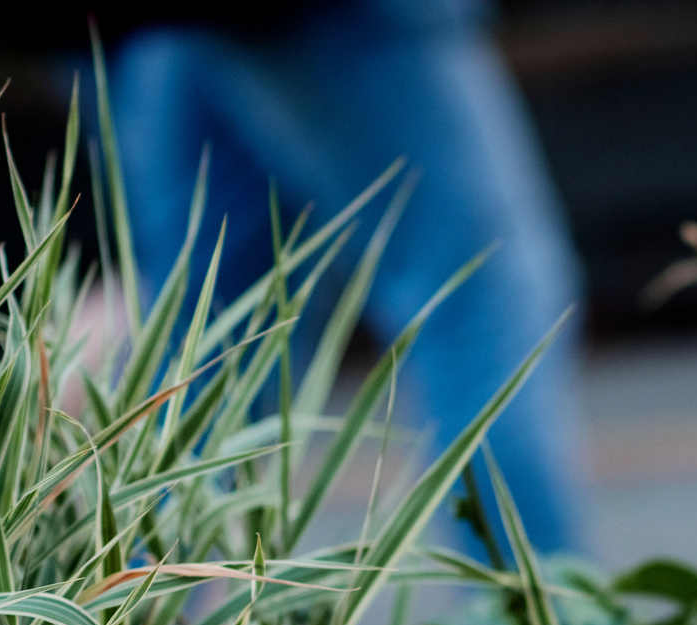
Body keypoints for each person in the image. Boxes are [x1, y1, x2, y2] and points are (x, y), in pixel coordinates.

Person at [102, 0, 588, 553]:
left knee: (214, 330)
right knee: (479, 301)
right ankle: (525, 597)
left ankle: (132, 594)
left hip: (192, 28)